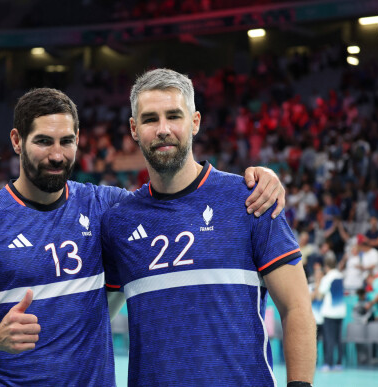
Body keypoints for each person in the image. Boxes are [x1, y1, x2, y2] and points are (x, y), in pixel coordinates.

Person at [0, 87, 286, 386]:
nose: (57, 155)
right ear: (16, 140)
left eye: (66, 141)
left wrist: (260, 178)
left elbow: (176, 196)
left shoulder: (110, 209)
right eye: (43, 141)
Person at [102, 69, 315, 386]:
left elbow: (296, 307)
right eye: (150, 119)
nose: (163, 129)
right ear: (134, 128)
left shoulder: (250, 198)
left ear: (195, 121)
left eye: (174, 116)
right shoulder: (119, 221)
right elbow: (96, 319)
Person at [315, 256, 346, 371]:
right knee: (338, 338)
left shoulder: (327, 278)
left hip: (329, 313)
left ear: (326, 266)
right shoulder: (340, 276)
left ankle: (328, 363)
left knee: (329, 339)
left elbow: (319, 295)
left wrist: (318, 281)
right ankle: (339, 363)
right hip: (341, 312)